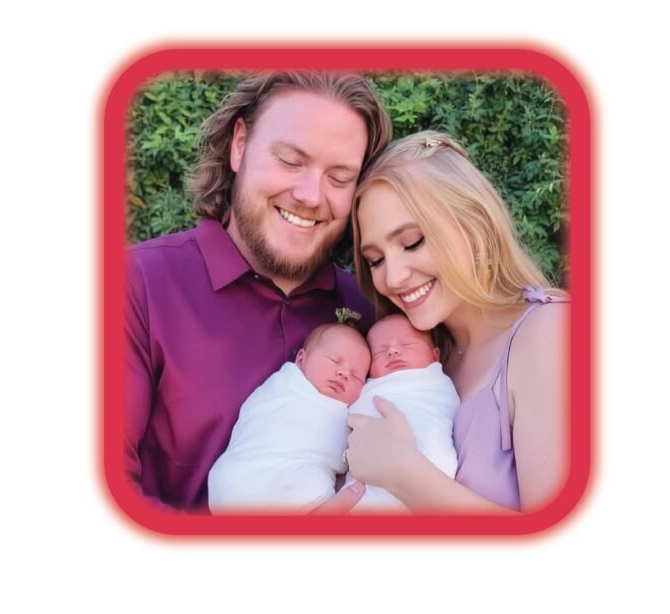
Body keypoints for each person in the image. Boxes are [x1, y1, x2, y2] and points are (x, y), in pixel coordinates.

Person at [125, 72, 392, 512]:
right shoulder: (135, 285)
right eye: (290, 160)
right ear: (239, 145)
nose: (310, 195)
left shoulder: (371, 312)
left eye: (339, 177)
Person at [345, 130, 569, 513]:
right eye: (375, 260)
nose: (393, 277)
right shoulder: (419, 356)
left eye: (412, 242)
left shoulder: (549, 334)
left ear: (473, 224)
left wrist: (402, 472)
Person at [207, 321, 370, 513]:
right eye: (335, 360)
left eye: (356, 376)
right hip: (239, 477)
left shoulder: (346, 412)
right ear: (301, 359)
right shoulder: (284, 386)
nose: (344, 374)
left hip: (248, 486)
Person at [343, 313, 460, 513]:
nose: (392, 351)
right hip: (365, 487)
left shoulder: (436, 382)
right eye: (380, 352)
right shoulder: (368, 389)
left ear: (435, 355)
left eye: (406, 344)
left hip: (428, 481)